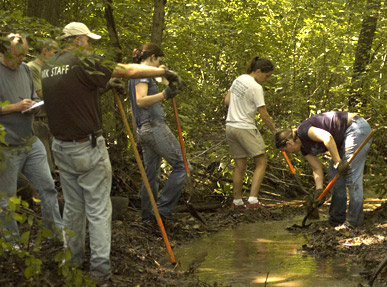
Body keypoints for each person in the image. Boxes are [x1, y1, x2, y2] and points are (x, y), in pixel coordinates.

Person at [41, 23, 181, 285]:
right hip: (87, 146)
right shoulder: (83, 59)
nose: (90, 45)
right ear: (79, 39)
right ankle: (100, 271)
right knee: (98, 209)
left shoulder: (51, 64)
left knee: (73, 207)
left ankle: (71, 262)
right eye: (88, 41)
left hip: (61, 145)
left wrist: (105, 85)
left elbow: (73, 90)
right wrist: (164, 72)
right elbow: (127, 70)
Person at [0, 33, 63, 243]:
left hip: (30, 141)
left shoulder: (26, 69)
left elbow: (35, 97)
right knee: (6, 200)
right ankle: (12, 245)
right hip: (6, 146)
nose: (21, 60)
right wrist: (15, 107)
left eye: (23, 55)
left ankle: (55, 237)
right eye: (18, 56)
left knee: (48, 188)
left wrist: (34, 105)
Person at [274, 111, 372, 229]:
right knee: (333, 173)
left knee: (352, 175)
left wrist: (338, 162)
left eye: (285, 150)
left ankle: (353, 222)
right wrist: (319, 191)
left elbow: (327, 137)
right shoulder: (304, 149)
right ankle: (336, 219)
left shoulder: (303, 130)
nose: (287, 153)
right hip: (343, 139)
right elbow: (316, 168)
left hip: (355, 127)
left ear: (289, 143)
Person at [128, 43, 186, 223]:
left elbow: (133, 107)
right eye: (158, 60)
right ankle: (160, 210)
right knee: (182, 166)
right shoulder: (142, 74)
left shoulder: (135, 74)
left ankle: (148, 216)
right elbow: (140, 101)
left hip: (145, 128)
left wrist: (164, 75)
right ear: (152, 57)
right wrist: (164, 95)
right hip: (154, 126)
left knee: (151, 175)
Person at [224, 56, 276, 209]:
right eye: (266, 76)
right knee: (261, 161)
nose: (266, 79)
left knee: (240, 165)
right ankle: (253, 200)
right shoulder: (256, 87)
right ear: (258, 71)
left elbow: (227, 101)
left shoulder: (239, 79)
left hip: (230, 126)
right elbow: (263, 113)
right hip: (245, 127)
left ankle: (237, 201)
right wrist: (274, 131)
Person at [27, 39, 58, 172]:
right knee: (45, 164)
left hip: (50, 119)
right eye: (55, 52)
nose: (56, 56)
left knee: (55, 161)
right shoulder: (32, 68)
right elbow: (40, 94)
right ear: (45, 51)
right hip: (38, 121)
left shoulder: (49, 68)